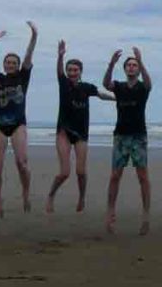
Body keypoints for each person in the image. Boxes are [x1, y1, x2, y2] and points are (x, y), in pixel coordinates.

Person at [46, 40, 115, 213]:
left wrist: (117, 98)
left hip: (81, 133)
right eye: (70, 70)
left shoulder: (87, 87)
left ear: (81, 72)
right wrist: (60, 56)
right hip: (63, 131)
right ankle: (51, 196)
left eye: (75, 70)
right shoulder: (63, 83)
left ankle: (82, 197)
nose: (72, 72)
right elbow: (59, 71)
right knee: (64, 172)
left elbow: (101, 95)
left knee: (81, 172)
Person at [0, 21, 38, 217]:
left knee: (22, 163)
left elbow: (29, 55)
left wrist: (34, 35)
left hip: (18, 125)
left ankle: (26, 192)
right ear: (4, 65)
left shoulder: (24, 76)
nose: (11, 65)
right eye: (8, 62)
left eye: (14, 62)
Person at [103, 47, 152, 235]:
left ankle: (146, 214)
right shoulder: (119, 86)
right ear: (125, 69)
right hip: (121, 136)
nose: (132, 67)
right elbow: (106, 83)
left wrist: (142, 60)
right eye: (129, 65)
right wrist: (112, 63)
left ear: (138, 70)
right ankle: (110, 211)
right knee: (115, 176)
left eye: (135, 65)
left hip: (139, 136)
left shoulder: (142, 88)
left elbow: (149, 83)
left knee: (143, 177)